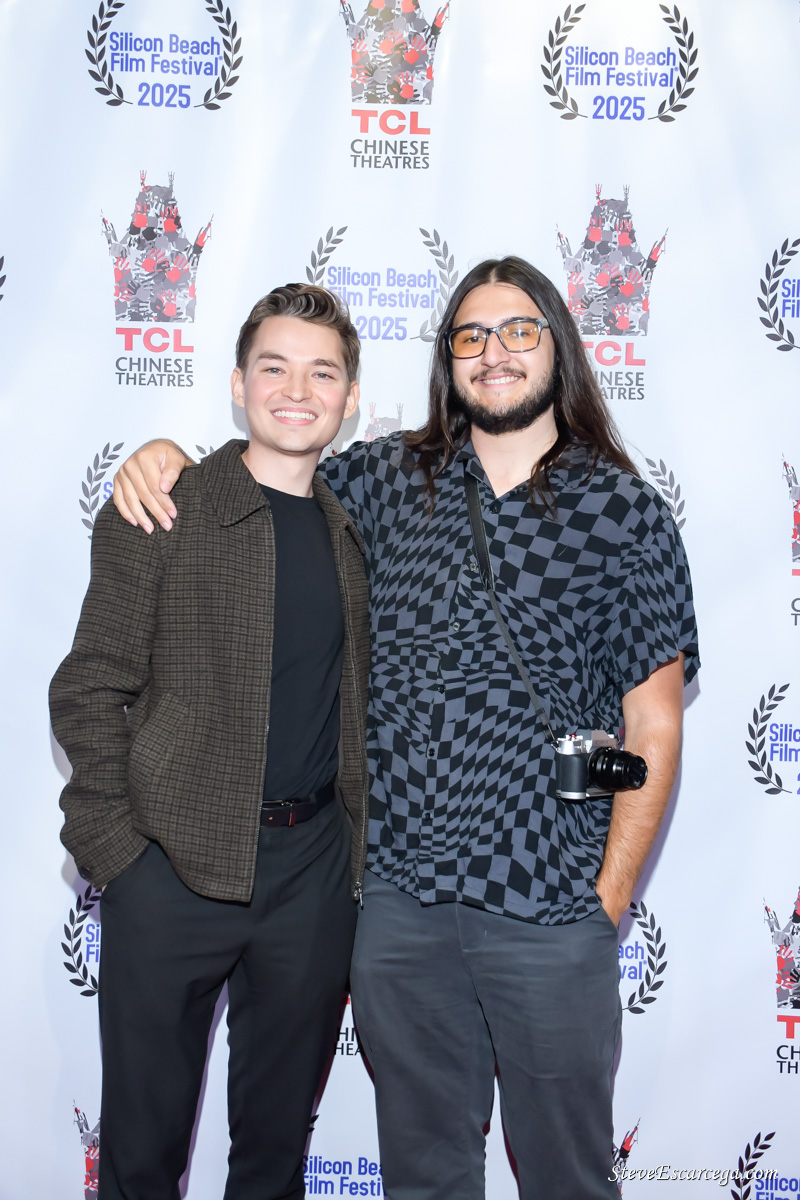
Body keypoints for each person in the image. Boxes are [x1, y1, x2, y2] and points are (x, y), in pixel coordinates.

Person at [112, 256, 699, 1200]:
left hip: (551, 913)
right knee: (424, 1179)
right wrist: (162, 454)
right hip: (401, 909)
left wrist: (606, 905)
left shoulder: (624, 512)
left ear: (560, 346)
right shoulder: (388, 479)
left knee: (568, 1179)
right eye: (471, 335)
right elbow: (270, 471)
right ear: (448, 360)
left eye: (518, 331)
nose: (494, 353)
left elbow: (653, 727)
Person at [50, 284, 370, 1200]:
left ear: (349, 399)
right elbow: (87, 687)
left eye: (322, 372)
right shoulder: (166, 503)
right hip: (171, 873)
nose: (296, 389)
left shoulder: (359, 532)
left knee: (273, 1158)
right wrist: (121, 857)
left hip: (311, 881)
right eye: (274, 367)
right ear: (238, 384)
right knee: (142, 1159)